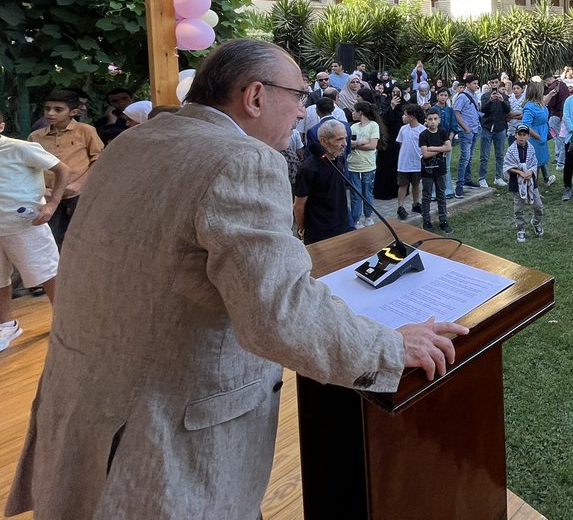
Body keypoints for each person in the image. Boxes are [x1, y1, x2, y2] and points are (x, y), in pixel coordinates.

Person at [8, 41, 468, 519]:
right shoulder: (241, 160)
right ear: (255, 97)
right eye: (298, 96)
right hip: (161, 442)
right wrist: (390, 348)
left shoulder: (134, 141)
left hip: (85, 406)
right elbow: (281, 314)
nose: (302, 112)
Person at [0, 110, 70, 352]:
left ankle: (66, 321)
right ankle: (6, 325)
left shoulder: (20, 148)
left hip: (26, 224)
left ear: (1, 126)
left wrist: (52, 204)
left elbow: (62, 169)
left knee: (46, 271)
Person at [29, 89, 104, 248]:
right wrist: (42, 189)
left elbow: (99, 159)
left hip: (78, 193)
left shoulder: (86, 131)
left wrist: (79, 184)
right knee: (51, 238)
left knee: (84, 235)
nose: (50, 113)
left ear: (73, 112)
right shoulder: (35, 136)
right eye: (47, 108)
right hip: (48, 195)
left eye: (58, 110)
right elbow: (29, 167)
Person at [294, 119, 352, 243]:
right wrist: (302, 228)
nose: (345, 144)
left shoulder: (338, 159)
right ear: (324, 141)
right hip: (320, 233)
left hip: (343, 226)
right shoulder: (308, 168)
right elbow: (298, 205)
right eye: (339, 139)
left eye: (345, 138)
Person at [503, 124, 544, 243]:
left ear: (528, 136)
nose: (522, 137)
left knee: (538, 206)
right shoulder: (511, 150)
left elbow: (534, 163)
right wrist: (520, 172)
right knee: (519, 208)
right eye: (519, 134)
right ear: (515, 135)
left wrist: (530, 172)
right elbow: (507, 166)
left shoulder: (531, 149)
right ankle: (520, 229)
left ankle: (536, 222)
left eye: (524, 135)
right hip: (516, 182)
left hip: (530, 181)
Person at [347, 100, 381, 229]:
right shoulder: (353, 127)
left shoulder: (373, 126)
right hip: (353, 165)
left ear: (360, 112)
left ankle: (368, 216)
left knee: (367, 192)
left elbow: (372, 145)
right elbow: (349, 144)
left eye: (354, 111)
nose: (353, 113)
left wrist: (356, 145)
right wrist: (360, 142)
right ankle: (356, 220)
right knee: (355, 194)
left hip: (368, 165)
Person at [418, 108, 452, 233]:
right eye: (430, 119)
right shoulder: (423, 135)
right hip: (427, 171)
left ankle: (443, 220)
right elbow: (425, 154)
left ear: (439, 120)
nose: (433, 121)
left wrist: (432, 148)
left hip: (440, 170)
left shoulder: (443, 132)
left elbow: (448, 147)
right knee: (427, 196)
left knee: (441, 195)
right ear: (426, 121)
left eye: (435, 119)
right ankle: (426, 221)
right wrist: (440, 148)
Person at [453, 75, 484, 197]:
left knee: (469, 157)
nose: (476, 85)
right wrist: (465, 127)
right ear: (467, 84)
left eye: (477, 83)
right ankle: (459, 185)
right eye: (474, 83)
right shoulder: (462, 96)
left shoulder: (475, 96)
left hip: (475, 129)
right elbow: (457, 113)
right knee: (464, 157)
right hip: (466, 131)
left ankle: (467, 179)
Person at [395, 104, 426, 220]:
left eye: (405, 115)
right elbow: (401, 143)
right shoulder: (403, 129)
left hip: (417, 162)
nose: (403, 117)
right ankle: (400, 206)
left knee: (416, 184)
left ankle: (416, 203)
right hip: (404, 163)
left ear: (412, 116)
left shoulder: (422, 130)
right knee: (403, 185)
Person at [521, 81, 554, 186]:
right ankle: (531, 189)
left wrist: (550, 95)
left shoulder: (539, 104)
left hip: (541, 139)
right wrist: (537, 136)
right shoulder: (530, 107)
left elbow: (544, 104)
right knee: (534, 167)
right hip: (534, 140)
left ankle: (534, 188)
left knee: (539, 165)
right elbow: (525, 125)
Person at [478, 85, 511, 188]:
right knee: (484, 155)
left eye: (496, 82)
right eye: (492, 82)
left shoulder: (505, 97)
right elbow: (483, 110)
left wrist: (502, 101)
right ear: (490, 84)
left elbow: (508, 110)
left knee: (500, 154)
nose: (494, 84)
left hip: (500, 128)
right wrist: (490, 100)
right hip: (487, 128)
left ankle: (498, 177)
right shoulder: (485, 96)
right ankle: (482, 178)